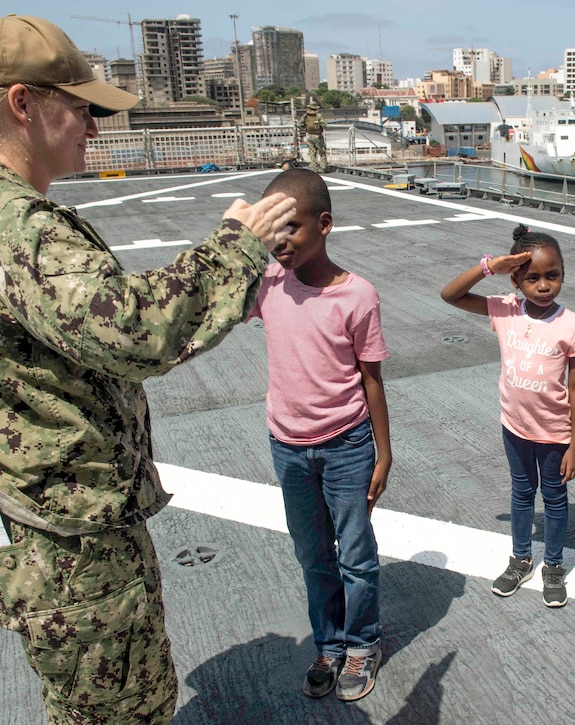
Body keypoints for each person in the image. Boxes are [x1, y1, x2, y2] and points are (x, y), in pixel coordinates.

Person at [0, 15, 296, 724]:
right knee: (119, 710)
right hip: (77, 545)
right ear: (21, 104)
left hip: (66, 526)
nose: (93, 128)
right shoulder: (21, 229)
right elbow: (133, 330)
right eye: (80, 108)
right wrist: (236, 247)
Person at [249, 169, 391, 701]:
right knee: (312, 554)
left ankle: (362, 644)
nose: (280, 241)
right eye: (271, 231)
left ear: (325, 224)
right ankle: (329, 644)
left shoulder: (358, 296)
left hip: (347, 444)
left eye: (292, 227)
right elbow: (211, 313)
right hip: (286, 446)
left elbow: (372, 380)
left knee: (355, 554)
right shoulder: (267, 285)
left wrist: (384, 452)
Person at [440, 225, 575, 607]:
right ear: (517, 279)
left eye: (553, 276)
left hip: (556, 433)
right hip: (515, 427)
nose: (544, 285)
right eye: (533, 277)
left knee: (555, 499)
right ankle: (521, 558)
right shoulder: (505, 309)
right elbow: (450, 295)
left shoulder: (571, 324)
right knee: (522, 493)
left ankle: (553, 565)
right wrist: (489, 266)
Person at [298, 102, 328, 173]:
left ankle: (314, 168)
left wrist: (305, 126)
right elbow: (324, 125)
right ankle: (323, 167)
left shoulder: (306, 116)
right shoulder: (318, 116)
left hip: (309, 135)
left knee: (312, 152)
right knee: (322, 152)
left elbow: (299, 124)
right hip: (317, 135)